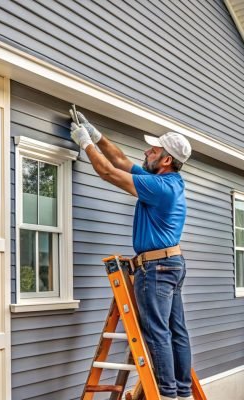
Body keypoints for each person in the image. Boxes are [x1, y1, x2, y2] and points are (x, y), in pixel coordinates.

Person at [69, 111, 193, 400]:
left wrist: (85, 143)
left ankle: (167, 395)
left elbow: (110, 172)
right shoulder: (166, 182)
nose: (147, 151)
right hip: (170, 264)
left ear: (165, 161)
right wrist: (96, 135)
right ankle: (182, 393)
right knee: (176, 331)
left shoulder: (159, 187)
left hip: (157, 268)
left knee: (157, 333)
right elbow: (122, 161)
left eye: (154, 149)